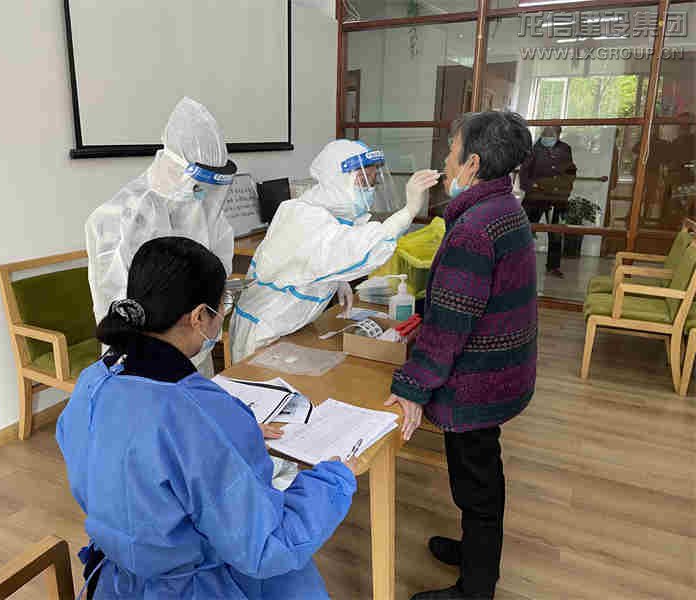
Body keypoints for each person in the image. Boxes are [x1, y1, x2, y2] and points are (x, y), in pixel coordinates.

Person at [57, 236, 358, 600]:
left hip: (118, 580)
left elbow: (133, 456)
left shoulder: (93, 381)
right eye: (222, 307)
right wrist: (334, 478)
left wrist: (226, 436)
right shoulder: (195, 414)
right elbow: (266, 546)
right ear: (200, 316)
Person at [386, 111, 537, 600]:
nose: (445, 162)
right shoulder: (504, 208)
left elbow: (449, 329)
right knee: (481, 475)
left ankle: (475, 589)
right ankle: (475, 550)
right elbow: (468, 300)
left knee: (477, 482)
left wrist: (410, 387)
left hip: (477, 381)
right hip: (501, 369)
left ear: (472, 163)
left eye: (451, 152)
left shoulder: (474, 227)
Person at [229, 139, 439, 363]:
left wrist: (337, 279)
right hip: (265, 330)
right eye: (363, 181)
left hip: (290, 326)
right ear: (337, 179)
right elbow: (355, 246)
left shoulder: (329, 213)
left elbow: (317, 258)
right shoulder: (303, 215)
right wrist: (408, 211)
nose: (369, 189)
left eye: (372, 181)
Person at [86, 97, 236, 377]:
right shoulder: (118, 219)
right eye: (199, 182)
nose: (203, 193)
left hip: (196, 348)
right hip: (142, 362)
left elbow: (218, 273)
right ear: (177, 167)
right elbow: (118, 304)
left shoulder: (204, 210)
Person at [519, 125, 577, 278]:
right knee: (524, 231)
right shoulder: (533, 149)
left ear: (559, 135)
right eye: (547, 134)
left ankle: (553, 266)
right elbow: (524, 173)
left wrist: (566, 188)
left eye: (554, 134)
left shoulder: (565, 149)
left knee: (556, 233)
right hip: (535, 197)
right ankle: (519, 265)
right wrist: (533, 186)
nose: (550, 138)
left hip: (557, 198)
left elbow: (570, 171)